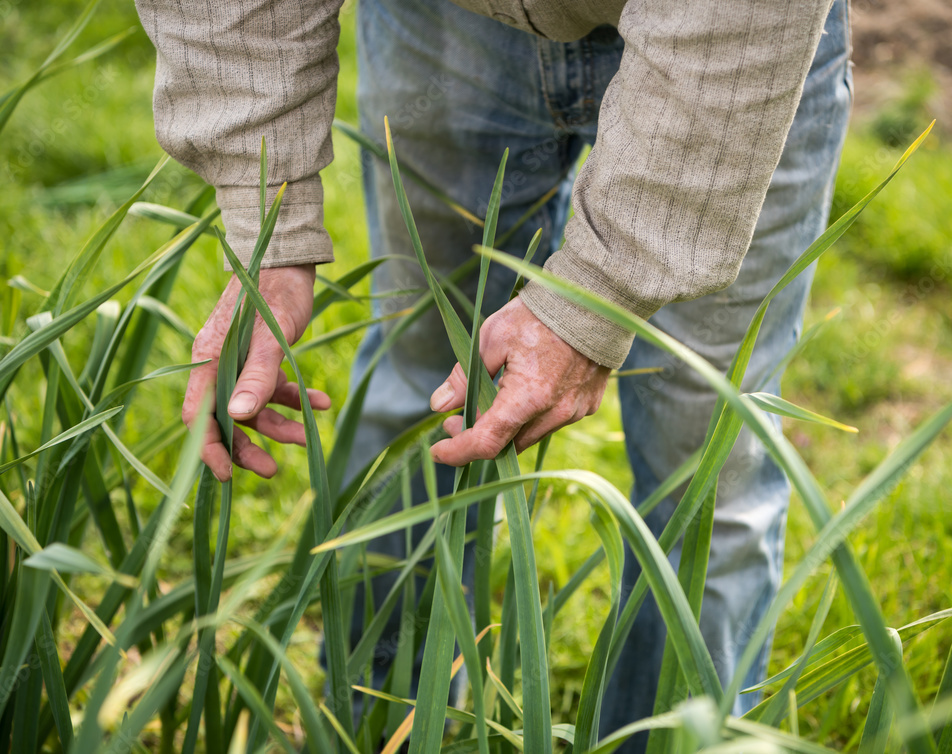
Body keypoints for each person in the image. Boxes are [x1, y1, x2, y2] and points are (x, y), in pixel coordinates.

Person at [135, 0, 852, 747]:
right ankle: (384, 730)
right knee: (424, 399)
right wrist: (268, 236)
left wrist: (600, 296)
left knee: (710, 471)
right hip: (444, 22)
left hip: (738, 52)